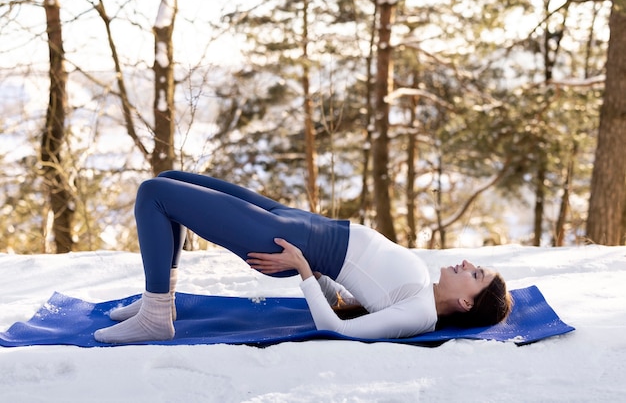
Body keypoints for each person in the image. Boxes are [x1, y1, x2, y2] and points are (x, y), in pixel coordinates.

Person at [94, 171, 511, 343]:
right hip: (295, 220)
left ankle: (155, 317)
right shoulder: (421, 287)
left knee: (154, 194)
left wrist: (303, 270)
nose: (467, 264)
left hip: (281, 239)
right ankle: (159, 300)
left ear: (466, 303)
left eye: (475, 275)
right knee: (169, 180)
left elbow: (337, 329)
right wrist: (320, 275)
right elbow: (351, 288)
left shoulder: (418, 313)